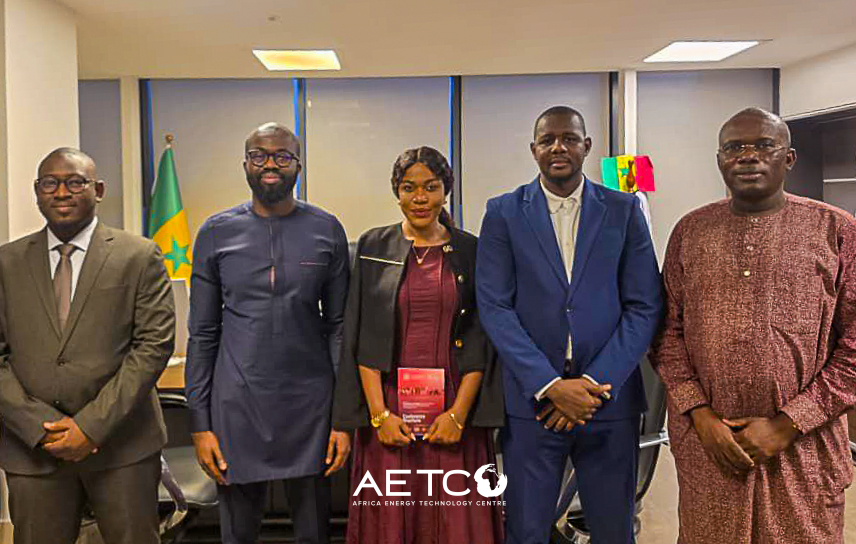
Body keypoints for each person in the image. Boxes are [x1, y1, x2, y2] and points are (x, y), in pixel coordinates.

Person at [652, 107, 856, 543]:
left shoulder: (836, 231)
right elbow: (667, 335)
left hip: (804, 449)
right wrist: (700, 415)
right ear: (719, 160)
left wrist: (788, 424)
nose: (748, 156)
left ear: (789, 158)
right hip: (711, 447)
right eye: (734, 148)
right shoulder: (691, 231)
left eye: (764, 145)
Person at [476, 106, 663, 544]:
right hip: (533, 404)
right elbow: (495, 308)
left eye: (569, 138)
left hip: (608, 403)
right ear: (533, 149)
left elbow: (644, 306)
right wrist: (550, 385)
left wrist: (593, 384)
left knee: (614, 531)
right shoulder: (503, 212)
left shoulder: (624, 209)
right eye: (547, 140)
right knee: (526, 531)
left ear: (586, 146)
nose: (558, 147)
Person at [185, 122, 351, 544]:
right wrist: (200, 425)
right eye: (259, 155)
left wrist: (343, 418)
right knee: (238, 534)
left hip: (312, 406)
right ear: (245, 165)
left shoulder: (327, 229)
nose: (270, 164)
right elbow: (202, 333)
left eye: (282, 156)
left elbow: (338, 328)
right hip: (237, 404)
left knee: (314, 533)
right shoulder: (215, 233)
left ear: (298, 166)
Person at [0, 148, 176, 544]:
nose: (62, 192)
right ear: (37, 191)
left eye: (75, 182)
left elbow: (153, 347)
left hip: (122, 447)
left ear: (98, 190)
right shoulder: (6, 262)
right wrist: (39, 428)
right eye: (50, 183)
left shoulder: (138, 256)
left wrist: (90, 427)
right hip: (32, 450)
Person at [332, 146, 505, 544]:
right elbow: (361, 335)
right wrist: (379, 416)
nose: (420, 198)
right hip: (390, 412)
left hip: (455, 412)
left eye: (431, 187)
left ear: (446, 190)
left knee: (457, 522)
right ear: (397, 192)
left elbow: (480, 338)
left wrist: (458, 416)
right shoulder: (374, 246)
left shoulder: (471, 250)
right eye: (409, 188)